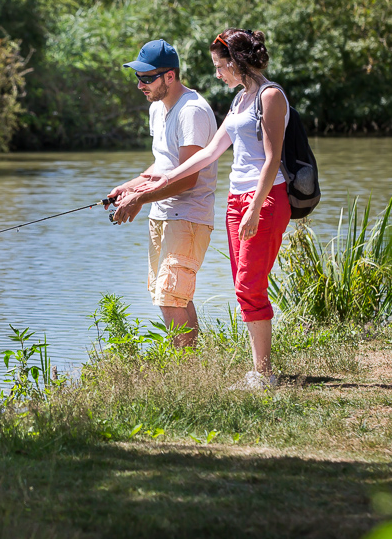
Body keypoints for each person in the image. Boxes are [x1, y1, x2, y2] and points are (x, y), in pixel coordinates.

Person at [135, 29, 291, 389]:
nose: (217, 74)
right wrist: (161, 180)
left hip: (264, 197)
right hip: (237, 199)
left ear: (236, 63)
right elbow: (208, 154)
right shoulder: (239, 100)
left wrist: (254, 207)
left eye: (220, 67)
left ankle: (263, 373)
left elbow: (272, 159)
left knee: (250, 283)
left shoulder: (269, 97)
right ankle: (259, 371)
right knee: (241, 283)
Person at [105, 39, 219, 348]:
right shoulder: (158, 109)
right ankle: (189, 368)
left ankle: (186, 373)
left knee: (171, 295)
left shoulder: (192, 111)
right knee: (167, 295)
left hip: (188, 215)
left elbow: (188, 178)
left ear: (170, 76)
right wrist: (129, 187)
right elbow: (164, 165)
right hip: (162, 213)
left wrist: (139, 198)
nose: (140, 85)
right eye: (137, 77)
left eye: (147, 77)